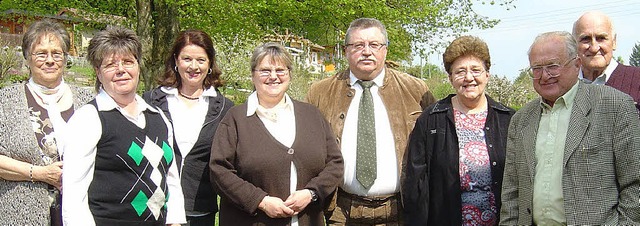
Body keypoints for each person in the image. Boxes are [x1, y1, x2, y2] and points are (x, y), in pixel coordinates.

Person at [499, 31, 640, 225]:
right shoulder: (521, 119)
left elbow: (635, 182)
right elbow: (511, 193)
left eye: (553, 66)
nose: (544, 75)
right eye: (536, 69)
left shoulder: (614, 106)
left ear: (577, 64)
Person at [306, 17, 436, 225]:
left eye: (374, 45)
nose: (367, 51)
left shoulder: (417, 90)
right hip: (341, 213)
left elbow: (437, 148)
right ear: (346, 50)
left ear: (385, 49)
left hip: (402, 211)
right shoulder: (320, 92)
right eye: (358, 45)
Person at [62, 26, 186, 226]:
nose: (121, 70)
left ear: (138, 66)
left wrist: (175, 222)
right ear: (98, 72)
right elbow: (74, 194)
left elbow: (171, 178)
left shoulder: (159, 118)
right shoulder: (89, 119)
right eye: (110, 64)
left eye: (128, 62)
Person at [209, 42, 343, 226]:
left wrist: (311, 193)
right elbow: (219, 170)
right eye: (265, 70)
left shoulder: (312, 115)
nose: (273, 76)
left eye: (280, 70)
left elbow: (335, 163)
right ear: (253, 75)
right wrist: (260, 201)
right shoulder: (235, 119)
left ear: (289, 74)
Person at [403, 35, 514, 226]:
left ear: (487, 74)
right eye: (460, 72)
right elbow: (415, 184)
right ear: (451, 78)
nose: (469, 78)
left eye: (476, 70)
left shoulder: (508, 119)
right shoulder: (431, 120)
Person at [0, 19, 94, 225]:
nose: (50, 60)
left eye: (56, 53)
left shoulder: (88, 101)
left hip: (80, 213)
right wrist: (39, 173)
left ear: (65, 58)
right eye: (41, 53)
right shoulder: (5, 101)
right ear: (27, 58)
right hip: (21, 213)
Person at [143, 29, 233, 225]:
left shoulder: (225, 109)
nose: (194, 66)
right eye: (187, 59)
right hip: (156, 207)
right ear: (176, 60)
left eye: (201, 60)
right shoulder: (151, 102)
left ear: (210, 63)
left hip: (200, 211)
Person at [573, 11, 640, 111]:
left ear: (614, 42)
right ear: (574, 45)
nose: (594, 48)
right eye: (585, 39)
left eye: (601, 38)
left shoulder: (637, 79)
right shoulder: (565, 85)